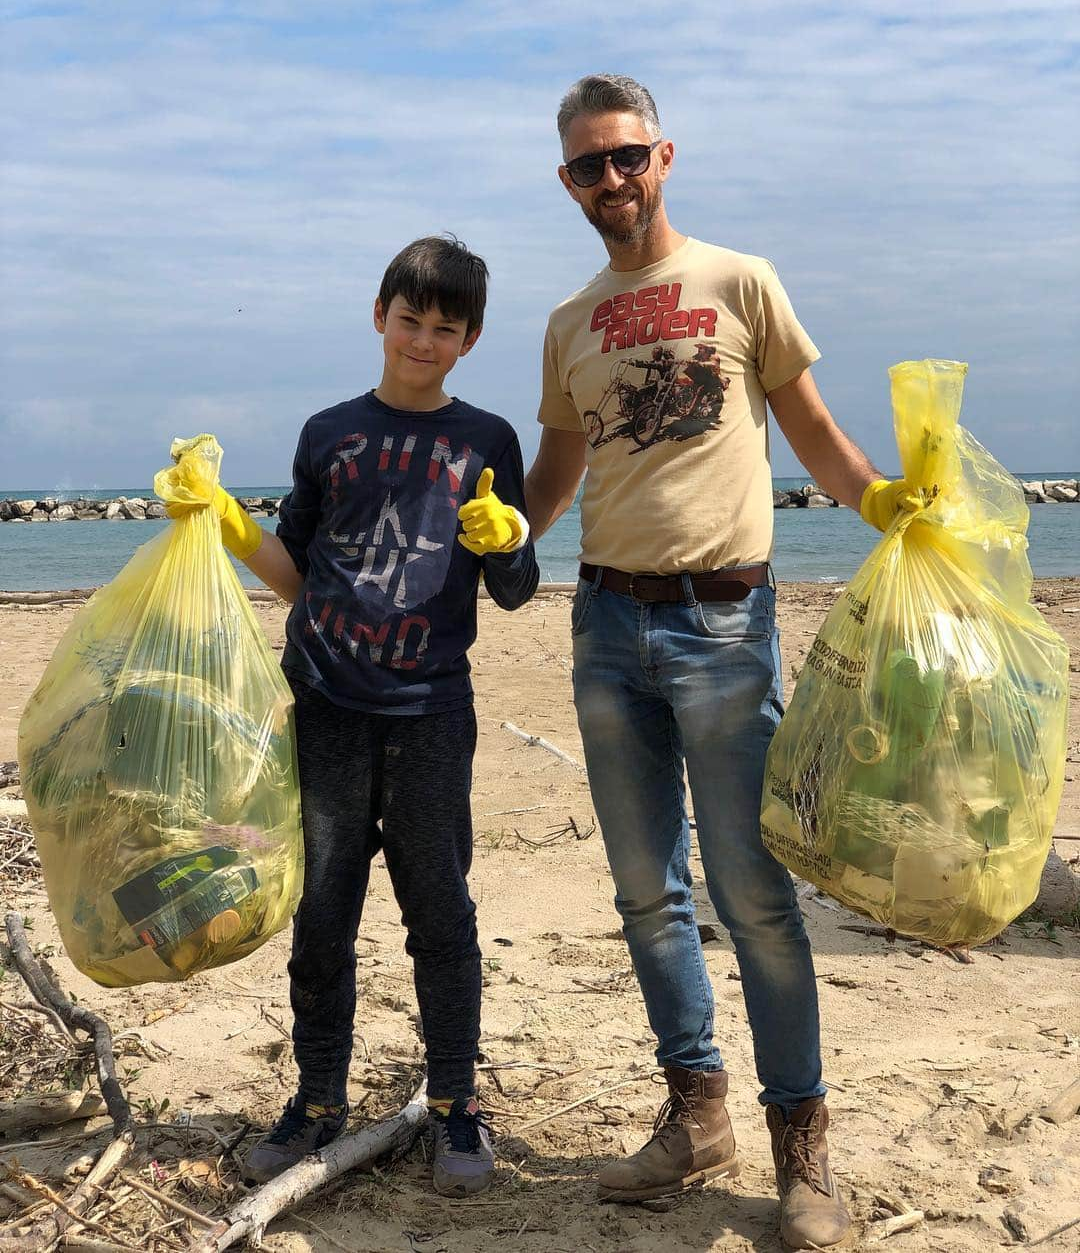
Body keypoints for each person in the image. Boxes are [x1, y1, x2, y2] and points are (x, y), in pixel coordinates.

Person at [525, 74, 914, 1250]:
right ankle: (696, 1113)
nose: (613, 180)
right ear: (568, 182)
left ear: (666, 156)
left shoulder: (740, 281)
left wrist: (886, 504)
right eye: (590, 165)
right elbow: (555, 476)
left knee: (754, 897)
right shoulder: (569, 323)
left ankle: (802, 1141)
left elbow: (810, 432)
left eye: (628, 156)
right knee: (647, 896)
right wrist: (493, 531)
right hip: (604, 632)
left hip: (725, 630)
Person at [170, 236, 539, 1197]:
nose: (422, 340)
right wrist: (227, 521)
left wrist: (507, 541)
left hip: (428, 713)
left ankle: (457, 1103)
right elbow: (296, 570)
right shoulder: (329, 432)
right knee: (322, 912)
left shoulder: (487, 440)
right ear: (379, 316)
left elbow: (517, 589)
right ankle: (319, 1098)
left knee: (440, 910)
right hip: (326, 706)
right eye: (409, 320)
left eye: (444, 328)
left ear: (470, 340)